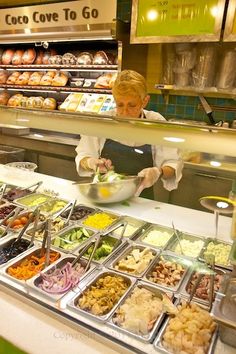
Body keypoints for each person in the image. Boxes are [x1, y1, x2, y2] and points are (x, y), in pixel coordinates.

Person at [75, 70, 183, 199]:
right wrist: (91, 162)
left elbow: (173, 163)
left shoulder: (156, 122)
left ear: (145, 101)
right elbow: (83, 157)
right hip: (104, 195)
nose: (125, 112)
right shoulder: (102, 122)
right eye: (120, 105)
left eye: (132, 105)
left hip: (141, 199)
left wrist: (158, 172)